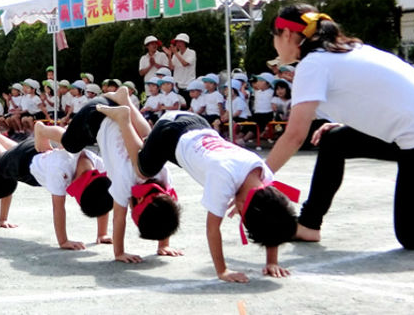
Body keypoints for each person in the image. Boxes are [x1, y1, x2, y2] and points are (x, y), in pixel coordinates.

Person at [266, 4, 414, 250]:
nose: (274, 44)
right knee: (335, 140)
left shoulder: (314, 63)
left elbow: (294, 136)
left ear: (286, 34)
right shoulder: (349, 50)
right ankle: (309, 224)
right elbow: (379, 95)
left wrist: (258, 178)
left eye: (274, 36)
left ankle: (309, 223)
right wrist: (343, 124)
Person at [95, 106, 299, 283]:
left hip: (197, 124)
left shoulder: (262, 173)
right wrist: (223, 271)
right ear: (244, 202)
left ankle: (128, 106)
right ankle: (124, 117)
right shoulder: (224, 178)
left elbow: (275, 217)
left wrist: (272, 262)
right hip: (169, 133)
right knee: (142, 168)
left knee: (148, 152)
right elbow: (212, 230)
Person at [34, 87, 181, 262]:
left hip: (112, 110)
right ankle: (41, 129)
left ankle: (124, 99)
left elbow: (165, 213)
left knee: (147, 139)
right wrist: (119, 253)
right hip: (96, 114)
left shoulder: (162, 175)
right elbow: (119, 219)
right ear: (139, 201)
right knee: (70, 144)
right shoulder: (124, 180)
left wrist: (163, 245)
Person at [0, 126, 112, 249]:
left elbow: (103, 198)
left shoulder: (97, 164)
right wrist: (63, 241)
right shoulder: (60, 170)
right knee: (1, 157)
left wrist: (102, 233)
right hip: (24, 166)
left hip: (38, 149)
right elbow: (58, 208)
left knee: (14, 150)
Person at [163, 33, 196, 104]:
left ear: (185, 42)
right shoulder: (176, 55)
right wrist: (169, 55)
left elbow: (185, 63)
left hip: (188, 85)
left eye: (180, 41)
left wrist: (175, 53)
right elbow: (171, 67)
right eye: (177, 42)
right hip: (177, 86)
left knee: (188, 105)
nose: (178, 44)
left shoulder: (191, 52)